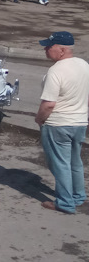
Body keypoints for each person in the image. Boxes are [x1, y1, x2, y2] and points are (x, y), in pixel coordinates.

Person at [35, 31, 89, 214]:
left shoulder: (55, 71)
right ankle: (78, 196)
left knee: (60, 164)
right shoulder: (83, 65)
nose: (45, 49)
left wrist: (39, 119)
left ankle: (65, 203)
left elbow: (49, 104)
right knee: (75, 162)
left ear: (62, 50)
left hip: (58, 124)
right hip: (80, 122)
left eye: (49, 47)